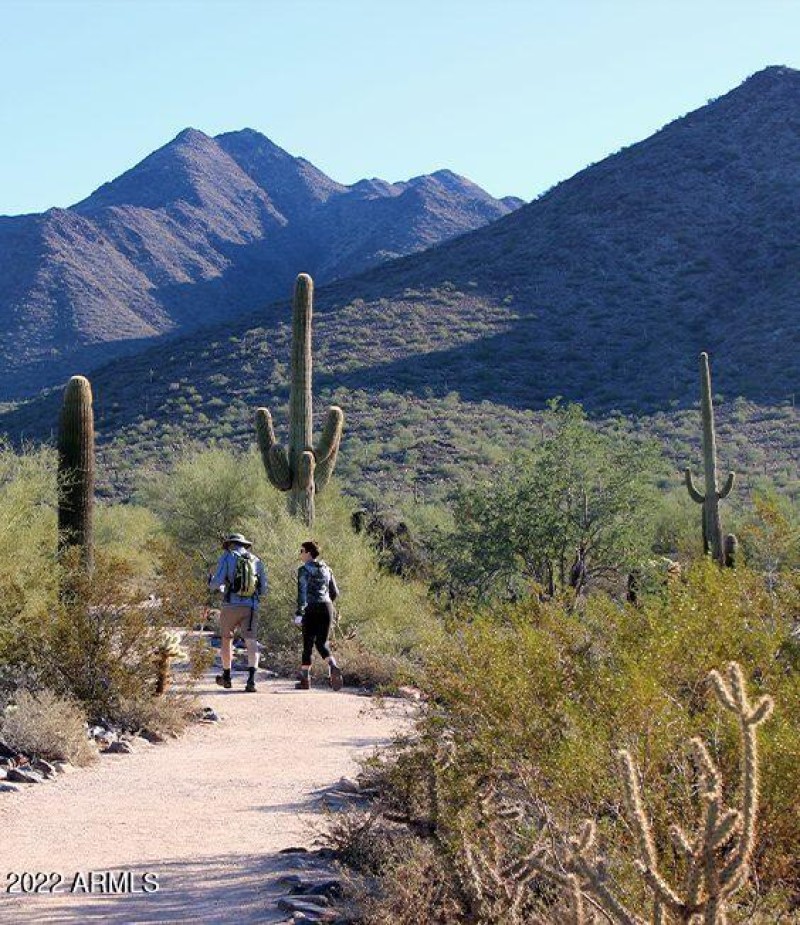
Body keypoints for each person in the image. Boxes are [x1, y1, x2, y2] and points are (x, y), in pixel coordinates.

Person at [208, 533, 267, 693]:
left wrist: (212, 583)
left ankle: (227, 676)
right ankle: (251, 680)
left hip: (230, 605)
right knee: (251, 641)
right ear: (244, 544)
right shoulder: (256, 560)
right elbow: (263, 589)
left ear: (230, 544)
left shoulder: (227, 557)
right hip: (251, 606)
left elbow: (216, 583)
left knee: (226, 639)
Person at [295, 540, 342, 691]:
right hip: (327, 607)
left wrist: (299, 613)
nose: (300, 553)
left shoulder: (304, 570)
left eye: (301, 551)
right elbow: (335, 592)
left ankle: (305, 680)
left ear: (309, 553)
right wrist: (326, 603)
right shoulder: (327, 569)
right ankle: (333, 666)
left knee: (307, 644)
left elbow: (302, 593)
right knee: (322, 643)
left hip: (311, 607)